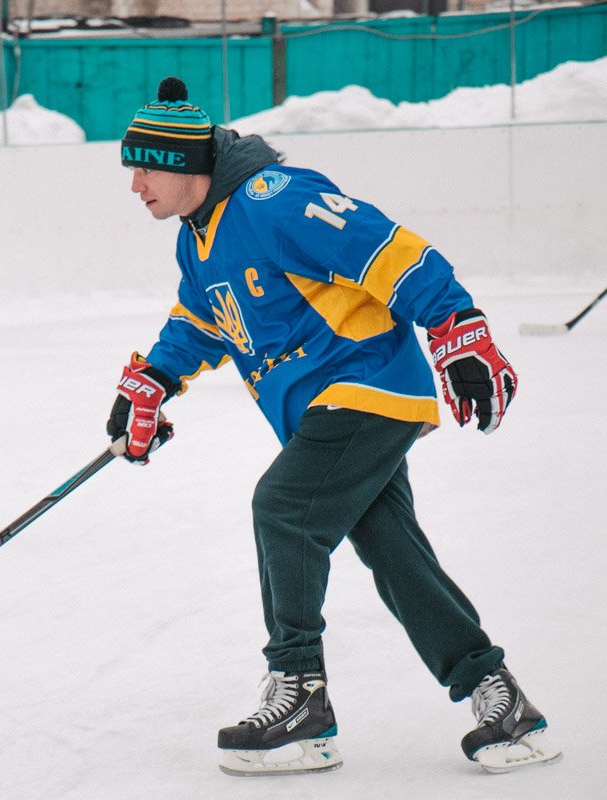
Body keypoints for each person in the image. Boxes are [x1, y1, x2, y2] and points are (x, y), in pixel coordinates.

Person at [106, 77, 561, 776]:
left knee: (284, 507)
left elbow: (387, 250)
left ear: (182, 163)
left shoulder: (274, 200)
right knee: (395, 553)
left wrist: (457, 327)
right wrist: (153, 381)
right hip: (322, 410)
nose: (135, 185)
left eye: (144, 168)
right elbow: (200, 320)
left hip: (366, 385)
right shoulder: (197, 239)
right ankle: (502, 700)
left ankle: (300, 697)